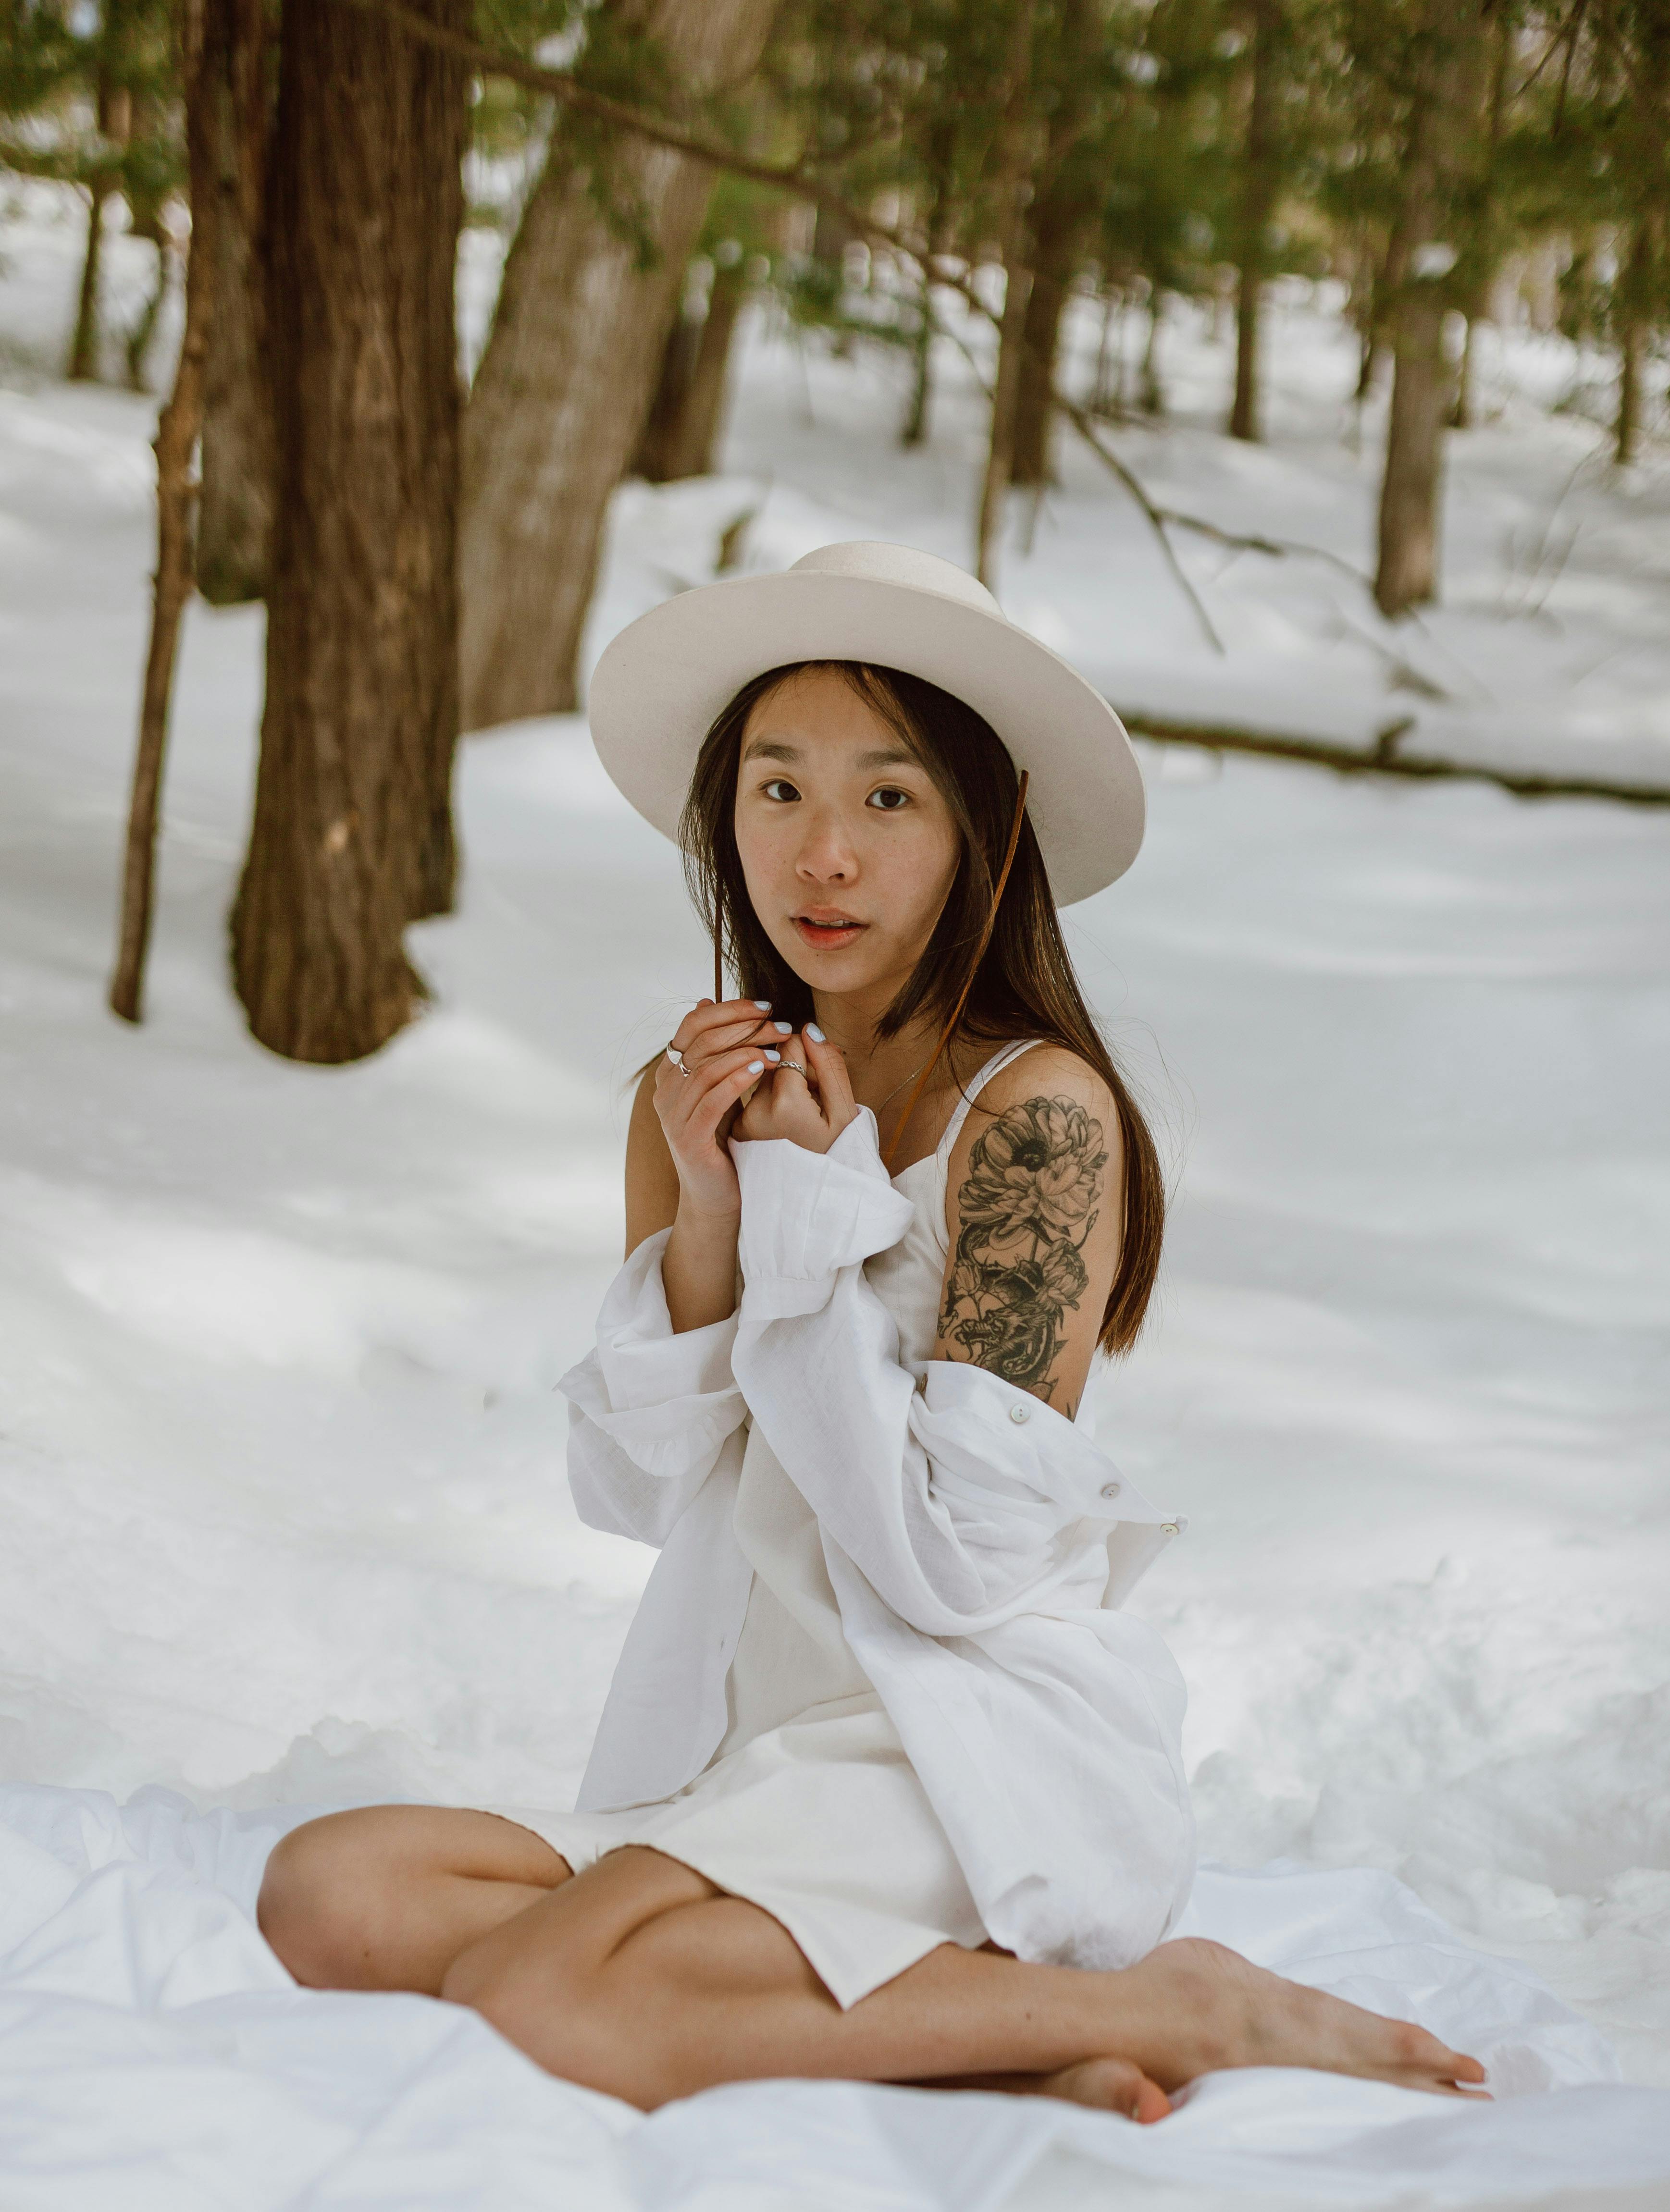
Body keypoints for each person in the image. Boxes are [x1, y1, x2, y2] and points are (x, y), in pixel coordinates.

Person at [258, 542, 1485, 2120]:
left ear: (984, 827)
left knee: (544, 1994)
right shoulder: (691, 1096)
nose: (822, 853)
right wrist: (714, 1209)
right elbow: (635, 1495)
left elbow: (952, 1565)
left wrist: (820, 1228)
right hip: (746, 1735)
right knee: (330, 1891)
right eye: (776, 792)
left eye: (887, 799)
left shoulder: (1036, 1114)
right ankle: (1025, 2034)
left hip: (959, 1736)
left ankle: (1174, 2004)